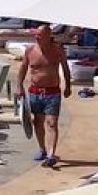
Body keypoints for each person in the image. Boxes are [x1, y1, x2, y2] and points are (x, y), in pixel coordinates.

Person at [16, 23, 72, 167]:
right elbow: (23, 69)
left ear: (48, 36)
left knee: (52, 123)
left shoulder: (57, 50)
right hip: (35, 91)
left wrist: (68, 86)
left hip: (52, 92)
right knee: (37, 122)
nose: (37, 37)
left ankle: (51, 154)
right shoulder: (30, 51)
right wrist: (19, 86)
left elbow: (65, 68)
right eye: (36, 35)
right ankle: (42, 149)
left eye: (40, 35)